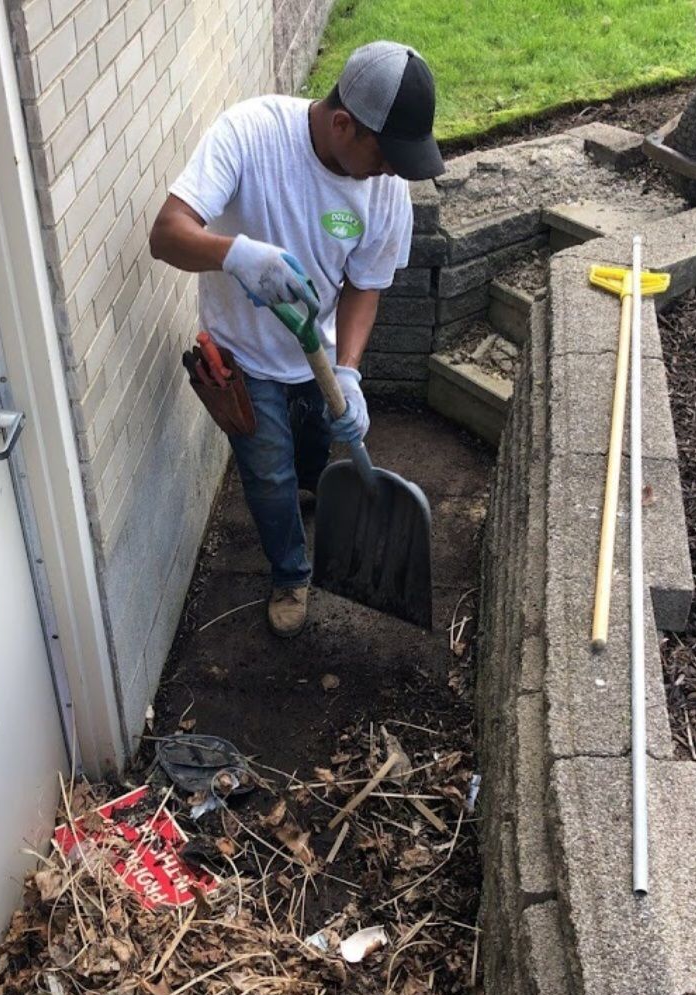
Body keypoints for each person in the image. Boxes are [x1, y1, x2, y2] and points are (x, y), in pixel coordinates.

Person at [149, 41, 444, 637]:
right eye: (385, 155)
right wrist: (234, 254)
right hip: (244, 354)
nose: (391, 171)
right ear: (343, 125)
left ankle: (309, 494)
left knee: (310, 457)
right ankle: (290, 572)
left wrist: (351, 371)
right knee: (268, 475)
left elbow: (365, 283)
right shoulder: (250, 134)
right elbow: (166, 235)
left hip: (321, 357)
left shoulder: (385, 189)